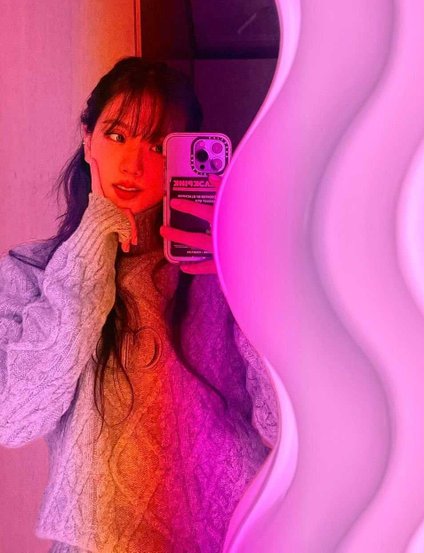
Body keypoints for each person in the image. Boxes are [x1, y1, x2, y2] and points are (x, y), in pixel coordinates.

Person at [0, 56, 278, 553]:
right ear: (88, 139)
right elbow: (14, 417)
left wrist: (246, 275)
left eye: (158, 145)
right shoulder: (33, 272)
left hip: (227, 539)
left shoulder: (230, 270)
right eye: (117, 135)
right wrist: (90, 246)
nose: (133, 163)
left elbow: (279, 424)